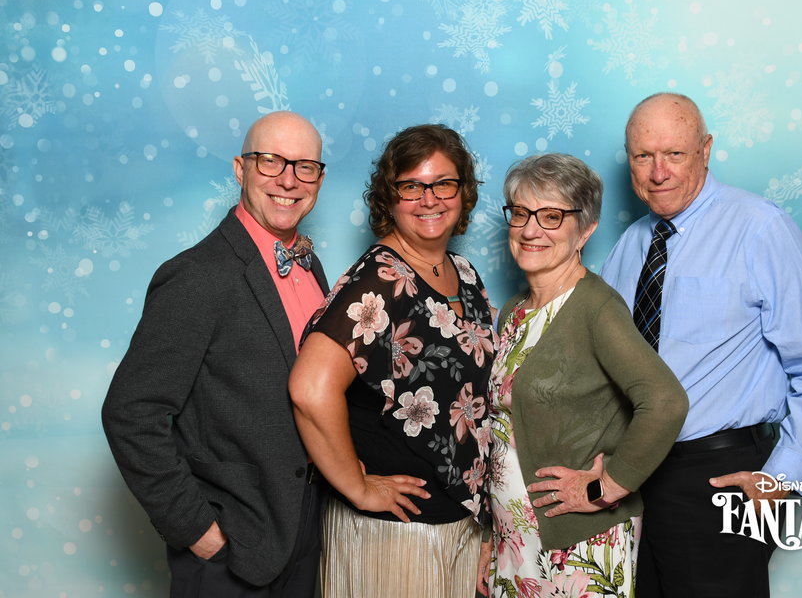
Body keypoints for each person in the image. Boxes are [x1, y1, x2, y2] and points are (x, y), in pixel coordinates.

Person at [601, 93, 802, 597]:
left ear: (706, 149)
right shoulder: (631, 243)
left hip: (719, 475)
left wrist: (783, 476)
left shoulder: (760, 227)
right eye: (642, 156)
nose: (658, 172)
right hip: (634, 475)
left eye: (674, 154)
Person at [102, 111, 330, 597]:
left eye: (304, 166)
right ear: (239, 169)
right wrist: (199, 533)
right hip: (232, 554)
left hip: (305, 538)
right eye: (270, 161)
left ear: (319, 177)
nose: (288, 180)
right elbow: (130, 413)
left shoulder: (313, 268)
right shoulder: (196, 276)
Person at [289, 124, 496, 598]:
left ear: (463, 192)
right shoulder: (380, 281)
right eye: (411, 186)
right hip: (398, 533)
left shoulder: (463, 274)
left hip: (459, 523)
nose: (430, 199)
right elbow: (309, 389)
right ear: (390, 196)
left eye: (444, 183)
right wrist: (359, 487)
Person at [479, 153, 688, 597]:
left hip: (576, 544)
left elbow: (666, 401)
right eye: (520, 213)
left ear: (586, 230)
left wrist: (607, 485)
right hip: (515, 538)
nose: (531, 230)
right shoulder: (515, 312)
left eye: (552, 216)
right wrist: (492, 537)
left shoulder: (596, 307)